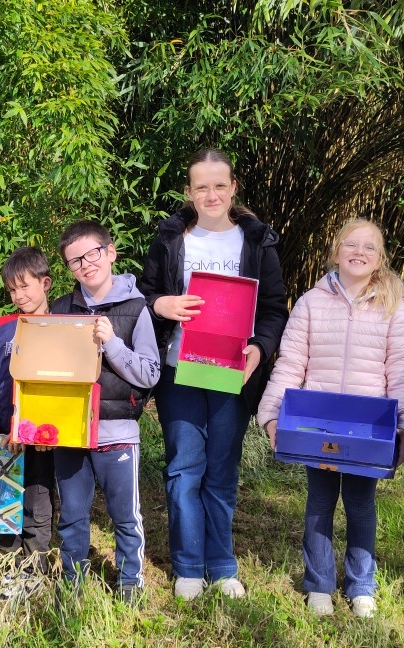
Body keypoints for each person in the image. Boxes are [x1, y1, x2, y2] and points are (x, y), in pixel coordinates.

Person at [139, 148, 288, 600]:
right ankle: (187, 565)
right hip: (178, 369)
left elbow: (274, 309)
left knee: (221, 471)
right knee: (184, 468)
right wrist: (160, 305)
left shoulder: (257, 243)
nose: (211, 194)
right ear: (189, 192)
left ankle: (222, 565)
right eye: (201, 186)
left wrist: (259, 353)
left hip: (232, 374)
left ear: (233, 188)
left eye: (219, 185)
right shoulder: (170, 241)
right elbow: (142, 300)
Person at [257, 219, 404, 618]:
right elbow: (292, 362)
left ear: (380, 259)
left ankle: (361, 584)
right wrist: (272, 414)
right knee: (319, 501)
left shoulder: (393, 306)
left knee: (361, 503)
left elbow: (403, 368)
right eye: (351, 245)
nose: (359, 252)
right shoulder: (312, 303)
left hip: (369, 426)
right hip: (318, 423)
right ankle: (319, 584)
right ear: (335, 252)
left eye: (369, 247)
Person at [52, 220, 161, 603]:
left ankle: (130, 580)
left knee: (125, 516)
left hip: (117, 435)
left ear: (110, 252)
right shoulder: (61, 309)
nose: (85, 264)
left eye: (91, 254)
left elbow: (150, 374)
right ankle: (73, 581)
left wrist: (112, 343)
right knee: (72, 517)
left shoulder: (136, 308)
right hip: (69, 433)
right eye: (74, 260)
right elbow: (49, 372)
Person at [0, 246, 58, 600]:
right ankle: (9, 564)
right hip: (4, 433)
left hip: (43, 436)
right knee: (5, 500)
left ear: (46, 283)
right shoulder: (2, 327)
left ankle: (33, 568)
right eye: (12, 289)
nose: (19, 295)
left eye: (25, 286)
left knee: (37, 498)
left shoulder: (64, 324)